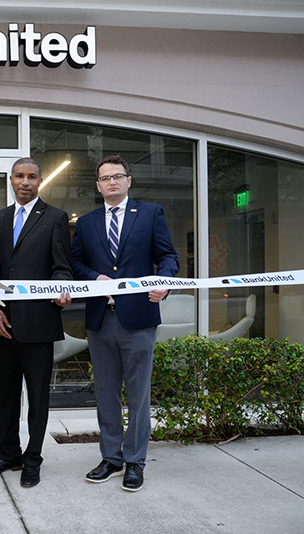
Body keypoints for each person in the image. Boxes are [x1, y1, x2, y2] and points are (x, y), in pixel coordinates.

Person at [70, 154, 178, 492]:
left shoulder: (150, 214)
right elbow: (75, 262)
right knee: (105, 394)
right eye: (105, 178)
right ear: (98, 185)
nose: (112, 182)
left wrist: (165, 280)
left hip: (139, 319)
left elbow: (168, 256)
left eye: (118, 176)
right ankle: (111, 458)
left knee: (139, 395)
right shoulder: (86, 223)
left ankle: (135, 462)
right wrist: (94, 277)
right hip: (101, 320)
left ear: (129, 180)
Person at [0, 157, 72, 488]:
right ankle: (8, 453)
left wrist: (62, 286)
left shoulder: (56, 218)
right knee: (3, 395)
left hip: (39, 324)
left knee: (37, 397)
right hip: (1, 324)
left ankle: (33, 458)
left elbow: (62, 266)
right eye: (20, 176)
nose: (25, 181)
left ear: (40, 181)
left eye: (32, 176)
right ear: (11, 179)